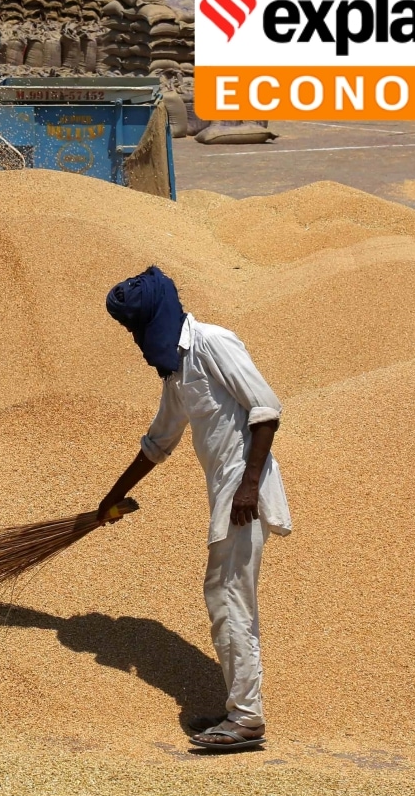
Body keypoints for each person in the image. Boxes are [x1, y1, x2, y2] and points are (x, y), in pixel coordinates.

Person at [94, 266, 290, 753]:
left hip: (242, 492)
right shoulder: (176, 370)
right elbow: (159, 442)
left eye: (137, 326)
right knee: (224, 595)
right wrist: (111, 496)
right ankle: (238, 710)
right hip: (228, 493)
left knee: (229, 598)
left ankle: (246, 719)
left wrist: (247, 487)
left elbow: (266, 410)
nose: (137, 339)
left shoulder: (212, 342)